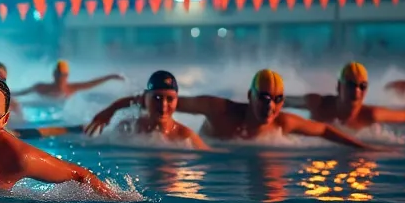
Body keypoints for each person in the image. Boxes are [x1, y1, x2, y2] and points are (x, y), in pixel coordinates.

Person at [89, 69, 373, 148]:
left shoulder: (283, 125)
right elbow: (155, 100)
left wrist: (366, 149)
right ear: (249, 96)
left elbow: (324, 130)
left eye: (276, 100)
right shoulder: (219, 108)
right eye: (263, 97)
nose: (269, 106)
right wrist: (110, 110)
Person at [83, 71, 208, 146]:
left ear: (177, 101)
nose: (163, 105)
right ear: (145, 98)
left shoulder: (186, 137)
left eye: (170, 99)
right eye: (157, 98)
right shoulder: (127, 128)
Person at [284, 62, 405, 129]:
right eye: (350, 85)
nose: (356, 91)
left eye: (362, 86)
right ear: (339, 87)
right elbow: (282, 101)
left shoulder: (370, 115)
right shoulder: (318, 104)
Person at [14, 60, 123, 101]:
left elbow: (92, 83)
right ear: (54, 75)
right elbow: (20, 93)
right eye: (58, 74)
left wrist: (110, 77)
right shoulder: (41, 88)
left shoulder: (72, 88)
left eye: (63, 75)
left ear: (67, 76)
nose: (60, 77)